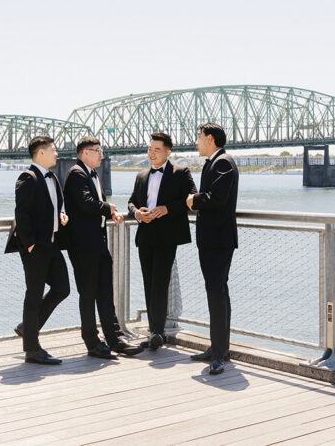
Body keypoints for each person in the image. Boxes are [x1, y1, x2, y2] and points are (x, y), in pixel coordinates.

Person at [63, 136, 143, 358]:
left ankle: (114, 339)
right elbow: (85, 202)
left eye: (101, 150)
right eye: (96, 150)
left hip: (98, 242)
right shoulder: (76, 174)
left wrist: (112, 212)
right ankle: (92, 342)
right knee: (88, 293)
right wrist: (109, 208)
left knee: (105, 292)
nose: (101, 154)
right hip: (82, 245)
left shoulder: (93, 174)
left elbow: (95, 205)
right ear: (84, 153)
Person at [5, 135, 71, 365]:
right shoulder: (28, 177)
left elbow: (50, 207)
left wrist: (59, 215)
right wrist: (30, 245)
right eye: (53, 149)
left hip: (51, 243)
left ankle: (27, 327)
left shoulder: (51, 177)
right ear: (40, 153)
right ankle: (31, 350)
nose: (57, 154)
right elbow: (21, 214)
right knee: (33, 295)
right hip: (36, 247)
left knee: (63, 288)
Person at [128, 132, 195, 351]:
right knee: (149, 283)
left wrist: (167, 209)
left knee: (159, 283)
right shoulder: (141, 175)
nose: (152, 153)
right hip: (145, 235)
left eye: (157, 150)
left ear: (168, 152)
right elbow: (131, 202)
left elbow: (191, 199)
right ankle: (154, 331)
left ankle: (157, 332)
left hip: (167, 237)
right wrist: (137, 213)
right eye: (149, 149)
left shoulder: (181, 172)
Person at [186, 122, 239, 375]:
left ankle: (219, 354)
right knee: (217, 293)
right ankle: (218, 348)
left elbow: (217, 199)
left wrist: (192, 200)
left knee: (216, 294)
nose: (196, 142)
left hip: (218, 241)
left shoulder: (223, 163)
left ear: (209, 138)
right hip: (212, 240)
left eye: (198, 137)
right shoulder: (213, 162)